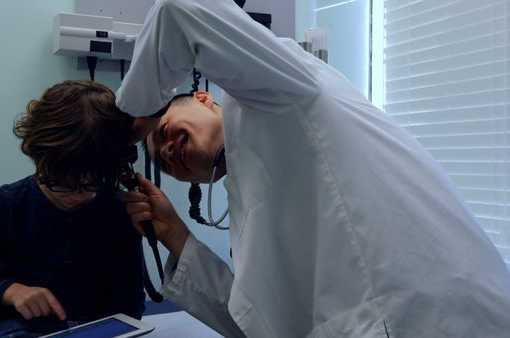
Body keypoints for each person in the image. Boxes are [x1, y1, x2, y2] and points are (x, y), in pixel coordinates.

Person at [116, 0, 510, 337]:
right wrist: (175, 235)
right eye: (165, 161)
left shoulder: (277, 94)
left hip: (427, 316)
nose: (168, 149)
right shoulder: (251, 204)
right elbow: (257, 321)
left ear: (204, 99)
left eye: (164, 131)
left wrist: (135, 117)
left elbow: (179, 10)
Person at [0, 80, 145, 338]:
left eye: (89, 184)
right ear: (38, 160)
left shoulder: (119, 210)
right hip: (24, 327)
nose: (74, 196)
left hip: (98, 326)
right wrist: (10, 291)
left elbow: (129, 300)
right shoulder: (5, 205)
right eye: (60, 183)